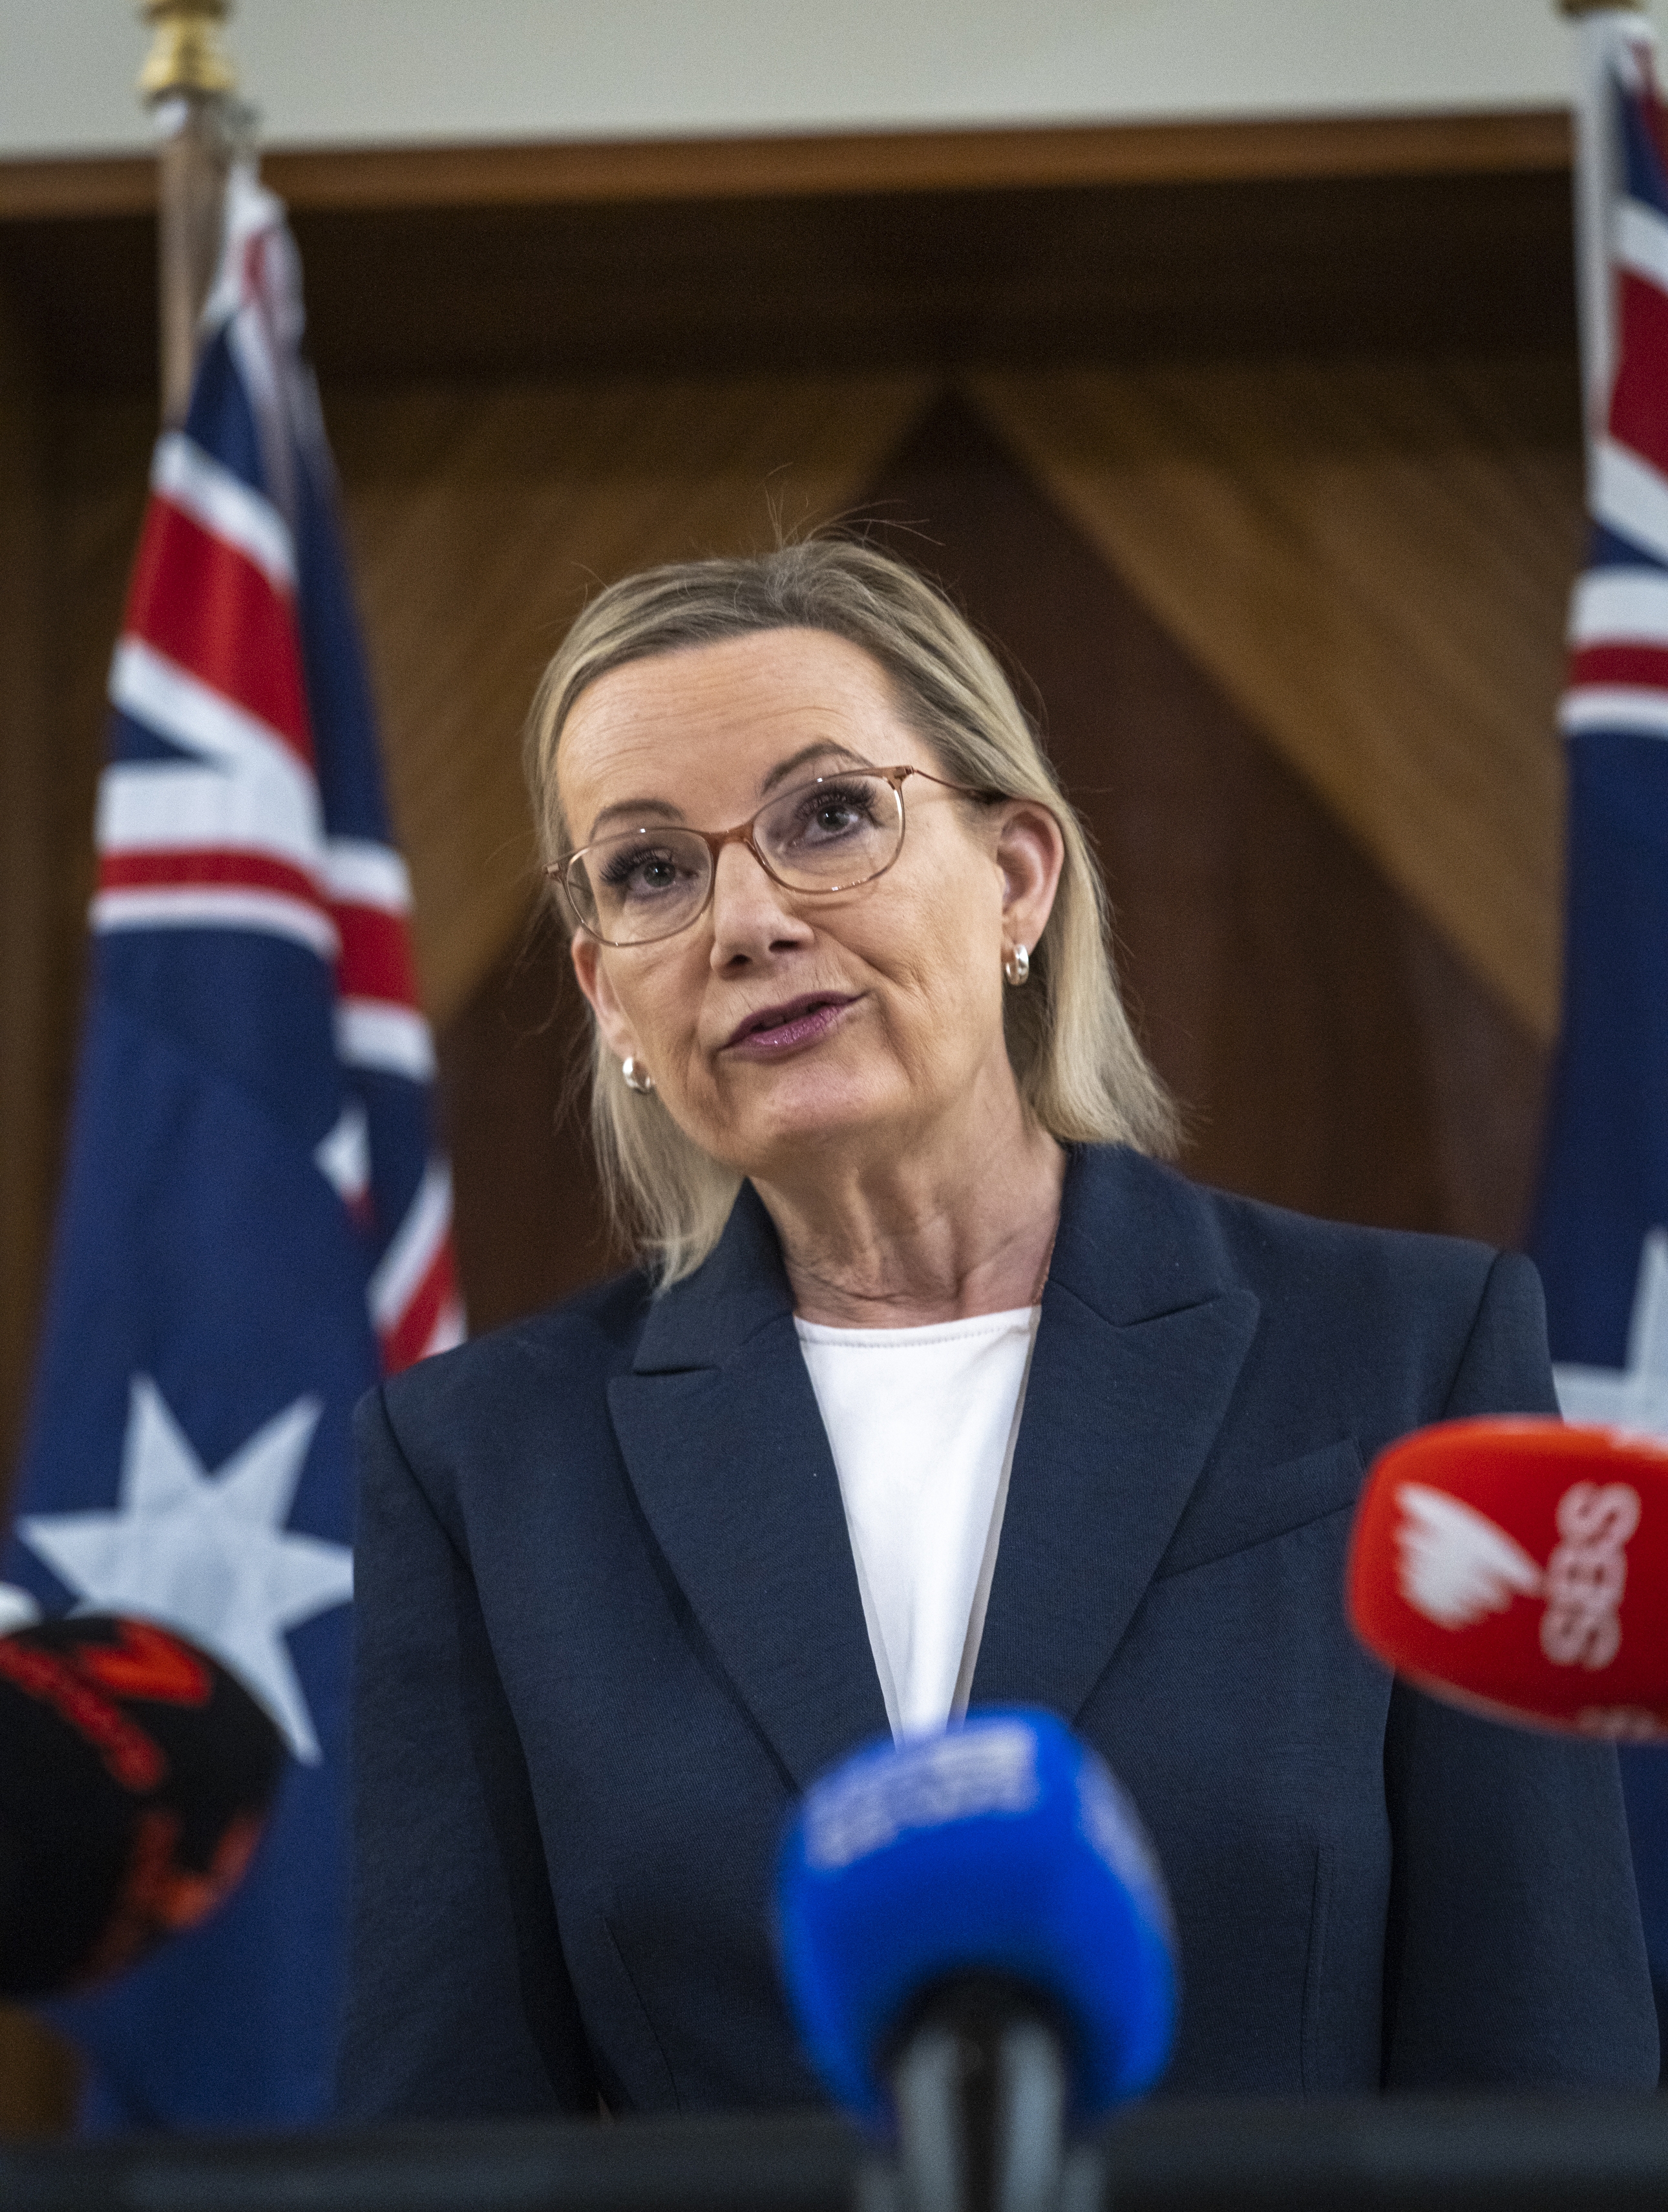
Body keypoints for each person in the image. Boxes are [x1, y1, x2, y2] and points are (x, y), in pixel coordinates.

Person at [338, 533, 1657, 2116]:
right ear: (609, 993)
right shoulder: (485, 1465)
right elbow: (446, 2132)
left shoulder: (1402, 1352)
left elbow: (1543, 2076)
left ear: (1018, 875)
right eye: (648, 870)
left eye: (828, 816)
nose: (742, 920)